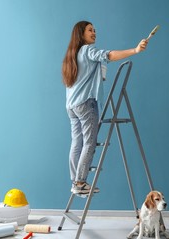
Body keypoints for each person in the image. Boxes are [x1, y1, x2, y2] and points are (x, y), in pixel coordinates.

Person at [62, 21, 148, 196]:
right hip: (86, 103)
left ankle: (75, 180)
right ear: (81, 34)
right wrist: (135, 50)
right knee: (89, 142)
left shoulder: (73, 54)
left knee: (77, 142)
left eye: (94, 30)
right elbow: (109, 55)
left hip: (72, 106)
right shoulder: (87, 50)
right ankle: (80, 182)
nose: (94, 33)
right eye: (90, 30)